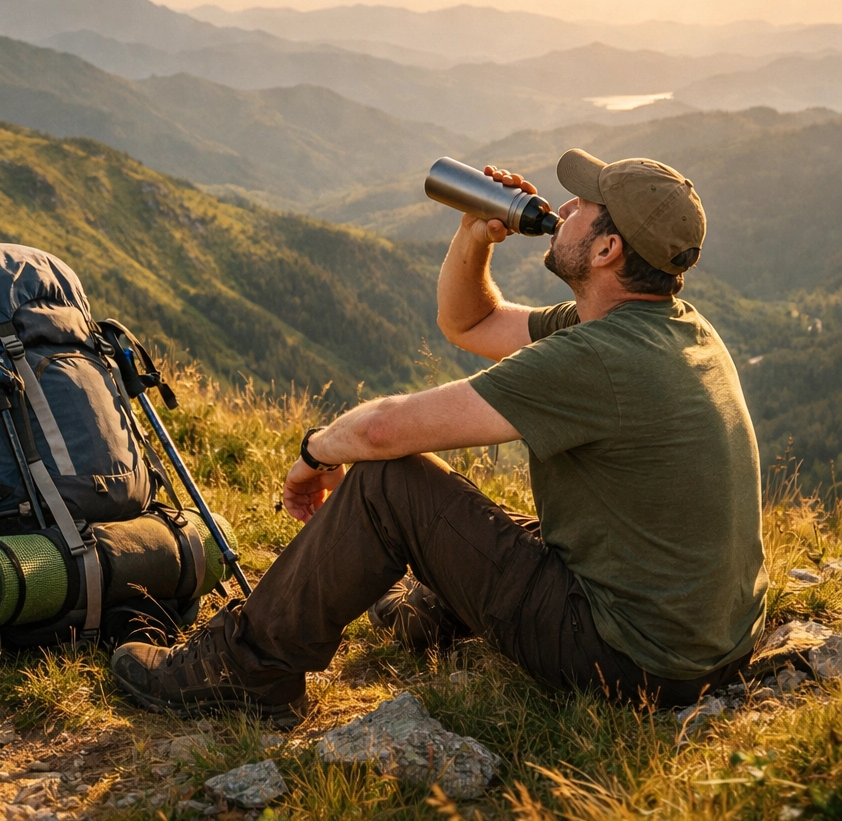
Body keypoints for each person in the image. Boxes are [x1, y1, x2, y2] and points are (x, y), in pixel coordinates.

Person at [111, 148, 768, 718]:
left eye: (584, 204)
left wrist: (315, 449)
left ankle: (245, 669)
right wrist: (474, 234)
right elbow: (472, 323)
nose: (564, 206)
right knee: (490, 519)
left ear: (606, 249)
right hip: (704, 641)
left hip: (629, 659)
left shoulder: (600, 357)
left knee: (391, 480)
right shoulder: (667, 326)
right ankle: (431, 608)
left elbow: (385, 431)